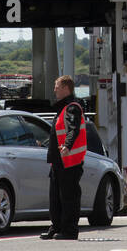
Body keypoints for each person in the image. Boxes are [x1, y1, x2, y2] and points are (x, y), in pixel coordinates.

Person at [42, 75, 87, 240]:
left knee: (69, 197)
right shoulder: (63, 108)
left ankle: (69, 231)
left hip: (70, 160)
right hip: (58, 160)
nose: (54, 89)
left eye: (57, 86)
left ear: (66, 88)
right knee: (55, 197)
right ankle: (57, 227)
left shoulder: (72, 107)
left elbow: (73, 129)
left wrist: (67, 146)